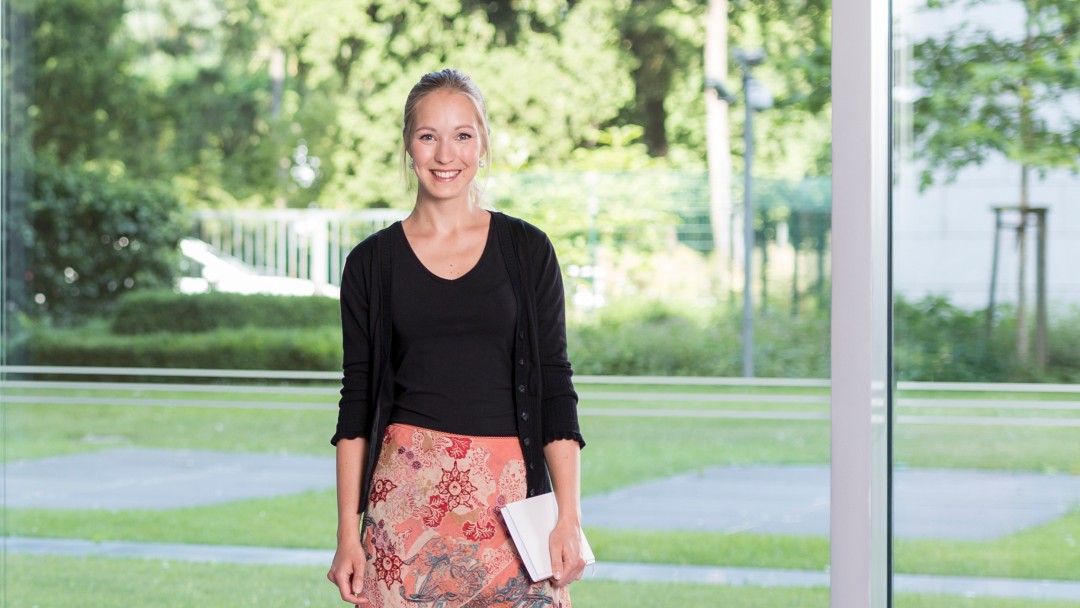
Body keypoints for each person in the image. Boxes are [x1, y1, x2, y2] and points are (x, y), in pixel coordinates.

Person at [326, 68, 587, 608]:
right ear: (408, 146)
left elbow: (555, 387)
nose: (446, 154)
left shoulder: (528, 250)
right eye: (429, 136)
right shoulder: (371, 264)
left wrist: (568, 516)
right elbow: (357, 401)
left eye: (463, 135)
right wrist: (347, 535)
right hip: (405, 509)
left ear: (483, 144)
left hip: (513, 510)